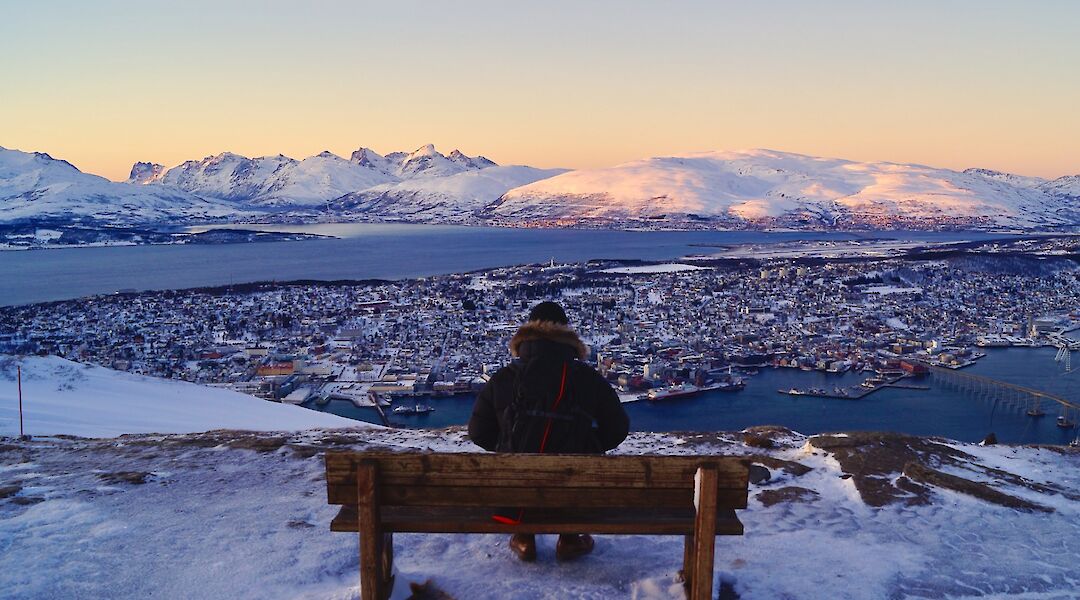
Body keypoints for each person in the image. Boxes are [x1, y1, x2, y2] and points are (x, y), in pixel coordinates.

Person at [468, 301, 630, 562]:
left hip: (515, 492)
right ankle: (569, 538)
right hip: (573, 494)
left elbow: (477, 431)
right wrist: (588, 445)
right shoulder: (588, 379)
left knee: (522, 465)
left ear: (526, 334)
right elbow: (618, 428)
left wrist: (508, 447)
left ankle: (523, 537)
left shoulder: (504, 378)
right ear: (567, 335)